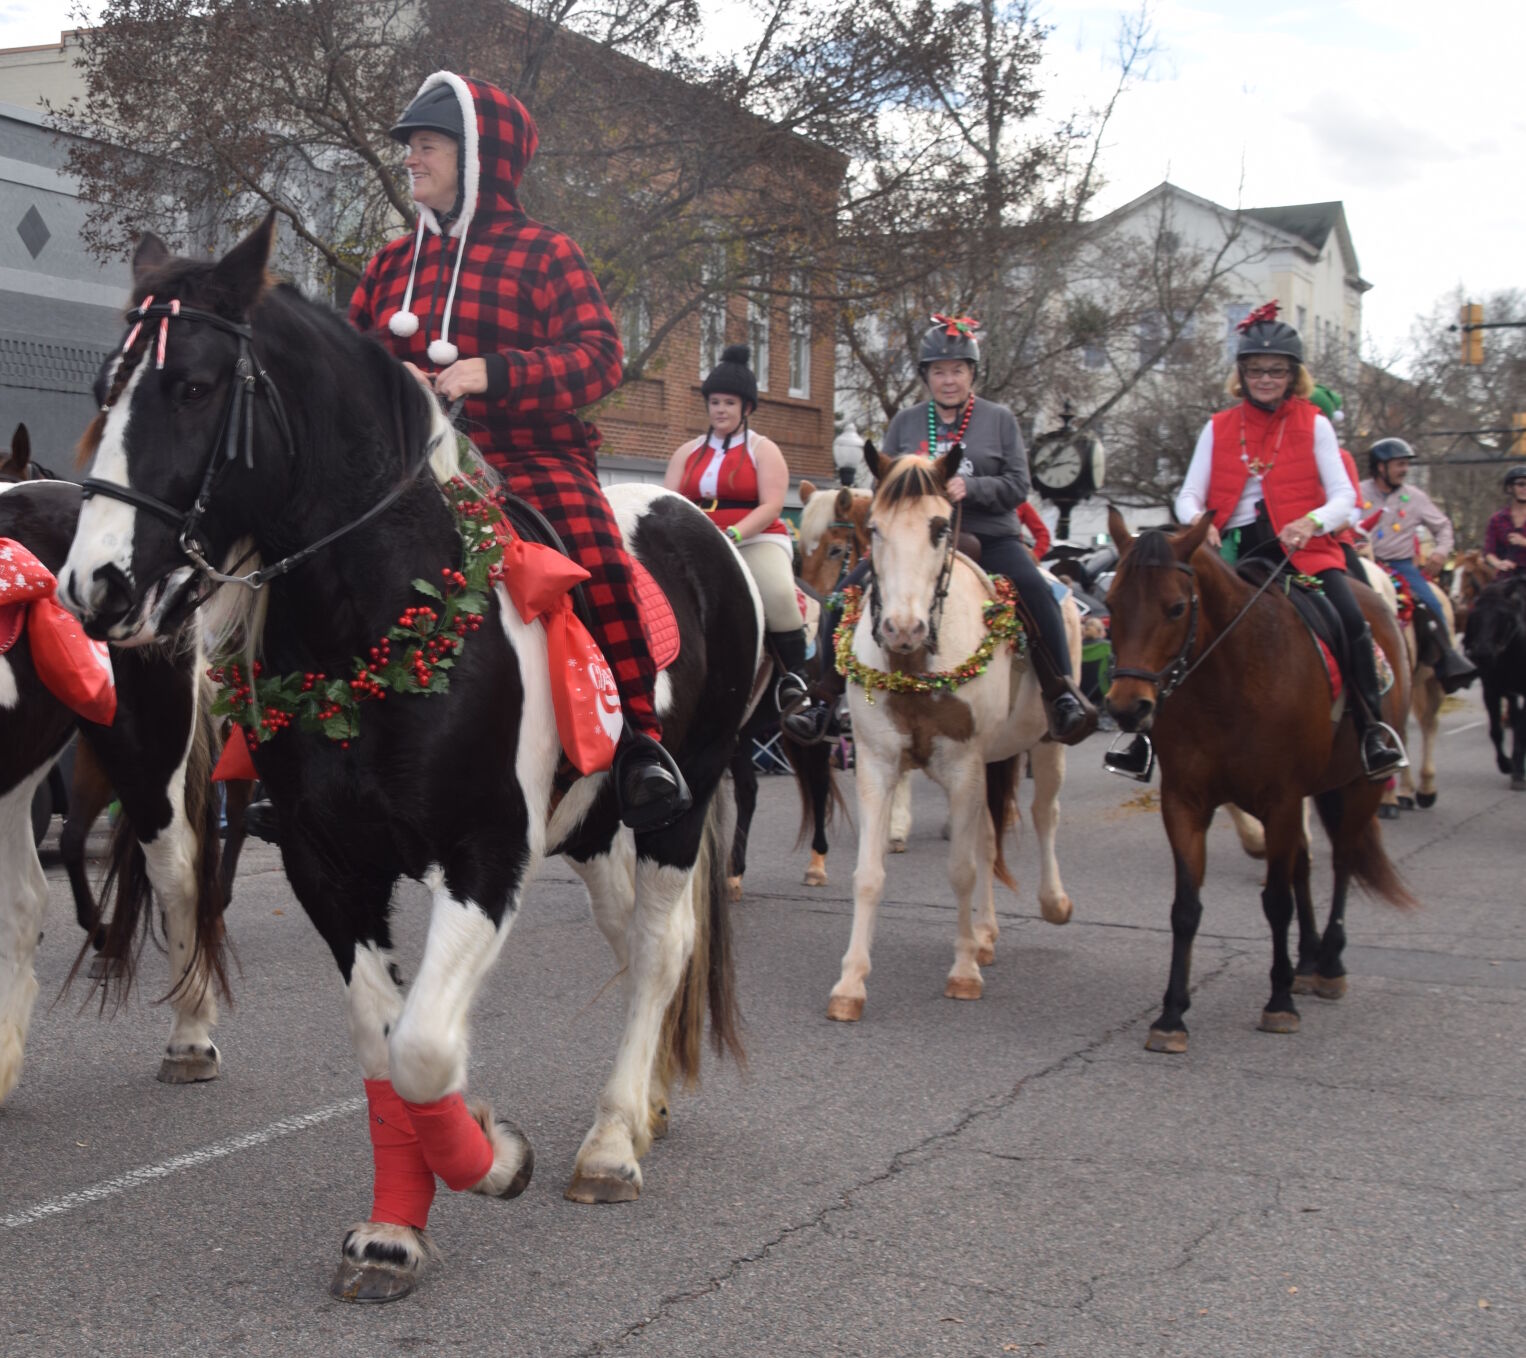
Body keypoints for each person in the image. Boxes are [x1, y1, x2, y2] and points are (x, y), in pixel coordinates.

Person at [248, 72, 688, 840]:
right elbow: (347, 369)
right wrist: (393, 381)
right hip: (405, 467)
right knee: (291, 557)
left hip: (526, 455)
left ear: (480, 156)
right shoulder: (388, 265)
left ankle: (641, 742)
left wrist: (497, 372)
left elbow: (600, 360)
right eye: (410, 148)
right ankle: (286, 748)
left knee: (594, 548)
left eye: (427, 146)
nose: (411, 160)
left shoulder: (547, 253)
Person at [1112, 302, 1404, 780]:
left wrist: (1310, 522)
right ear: (1241, 374)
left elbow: (1344, 496)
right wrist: (1199, 524)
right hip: (1232, 552)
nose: (1265, 378)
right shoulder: (1218, 426)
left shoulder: (1316, 424)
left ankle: (1373, 731)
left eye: (1276, 370)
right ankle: (1141, 739)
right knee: (1163, 621)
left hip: (1301, 551)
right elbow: (1189, 493)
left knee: (1352, 618)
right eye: (1255, 370)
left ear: (1293, 375)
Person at [878, 316, 1096, 743]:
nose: (948, 380)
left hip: (990, 533)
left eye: (958, 370)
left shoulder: (999, 419)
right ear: (926, 376)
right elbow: (883, 484)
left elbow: (1019, 484)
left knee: (1036, 592)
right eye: (939, 371)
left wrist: (971, 486)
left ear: (972, 374)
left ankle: (1062, 695)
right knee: (846, 594)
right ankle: (826, 697)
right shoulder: (904, 422)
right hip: (917, 540)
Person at [665, 344, 833, 743]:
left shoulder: (763, 449)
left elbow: (773, 504)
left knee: (777, 594)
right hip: (693, 541)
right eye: (714, 402)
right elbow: (669, 501)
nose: (720, 409)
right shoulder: (686, 453)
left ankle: (795, 684)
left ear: (747, 408)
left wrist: (734, 534)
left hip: (754, 538)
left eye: (729, 403)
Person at [1358, 439, 1476, 692]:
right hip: (1364, 562)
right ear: (1380, 467)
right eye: (1399, 464)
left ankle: (1447, 663)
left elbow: (1443, 526)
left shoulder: (1416, 497)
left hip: (1401, 567)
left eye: (1406, 464)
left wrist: (1441, 553)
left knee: (1431, 603)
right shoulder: (1357, 491)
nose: (1405, 469)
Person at [1483, 464, 1526, 574]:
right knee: (1489, 591)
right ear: (1510, 487)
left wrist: (1523, 542)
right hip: (1507, 576)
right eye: (1521, 484)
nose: (1525, 488)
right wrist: (1498, 563)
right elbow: (1489, 551)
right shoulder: (1497, 519)